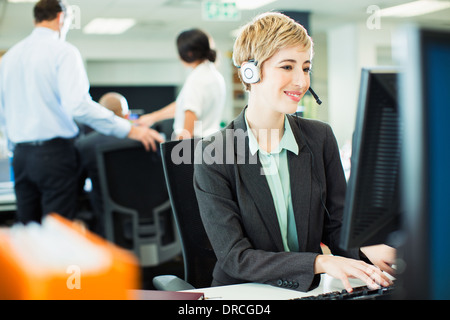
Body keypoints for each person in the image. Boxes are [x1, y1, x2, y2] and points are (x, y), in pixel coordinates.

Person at [193, 12, 396, 293]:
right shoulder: (213, 153)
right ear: (249, 72)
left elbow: (336, 226)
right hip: (243, 292)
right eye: (287, 67)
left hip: (305, 290)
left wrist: (368, 248)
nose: (301, 81)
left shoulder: (319, 137)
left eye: (306, 67)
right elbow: (235, 258)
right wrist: (321, 263)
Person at [0, 0, 163, 224]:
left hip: (20, 157)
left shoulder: (9, 58)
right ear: (61, 18)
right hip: (54, 155)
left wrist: (15, 148)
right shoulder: (63, 51)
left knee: (30, 235)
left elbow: (3, 112)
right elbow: (77, 105)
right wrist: (129, 130)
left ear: (35, 19)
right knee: (57, 231)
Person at [137, 28, 226, 140]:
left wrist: (178, 148)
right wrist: (152, 117)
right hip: (210, 141)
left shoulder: (196, 79)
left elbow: (190, 115)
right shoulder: (215, 75)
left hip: (194, 144)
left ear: (188, 53)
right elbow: (183, 105)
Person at [75, 92, 131, 236]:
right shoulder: (147, 141)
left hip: (105, 228)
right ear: (127, 115)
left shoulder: (85, 145)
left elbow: (75, 188)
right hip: (149, 227)